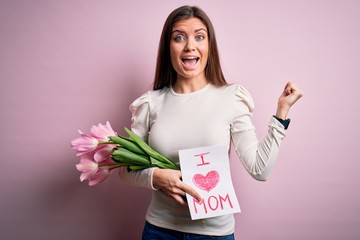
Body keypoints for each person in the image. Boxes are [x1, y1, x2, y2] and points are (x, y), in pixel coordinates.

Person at [118, 5, 303, 240]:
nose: (190, 46)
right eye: (179, 37)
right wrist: (156, 176)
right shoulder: (150, 103)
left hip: (214, 235)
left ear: (209, 46)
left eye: (199, 36)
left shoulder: (232, 98)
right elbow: (124, 171)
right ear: (168, 47)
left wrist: (282, 111)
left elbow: (260, 169)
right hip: (159, 231)